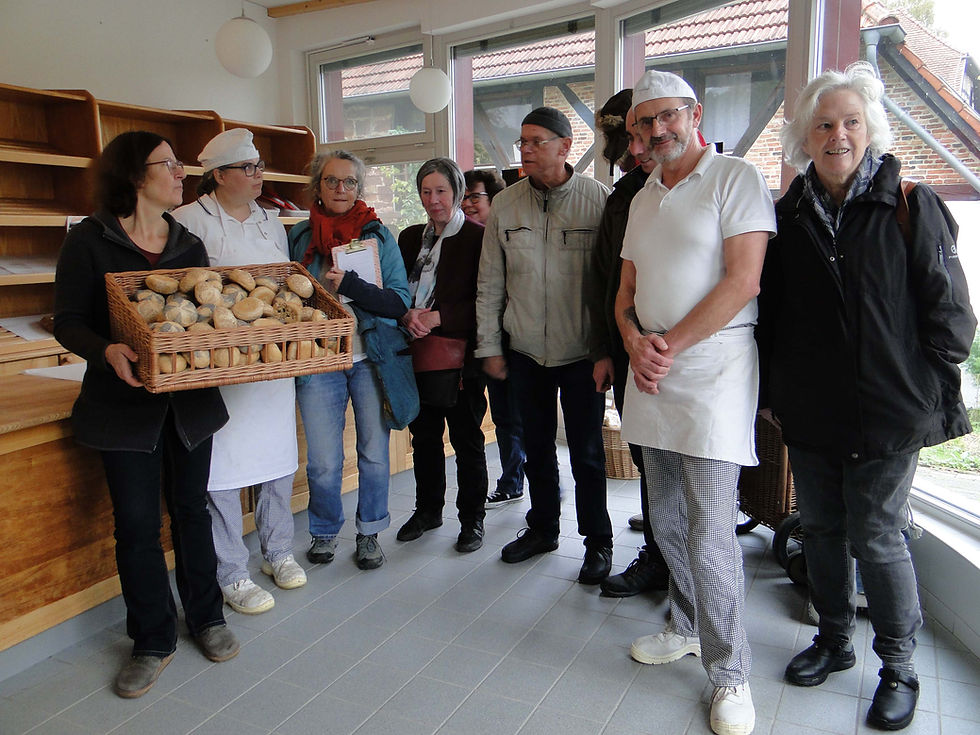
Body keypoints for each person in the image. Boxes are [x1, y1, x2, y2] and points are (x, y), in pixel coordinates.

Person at [756, 61, 975, 731]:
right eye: (823, 125)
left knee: (877, 536)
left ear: (870, 129)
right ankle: (833, 639)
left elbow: (951, 316)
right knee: (821, 528)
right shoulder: (786, 216)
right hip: (812, 410)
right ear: (804, 137)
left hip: (889, 411)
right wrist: (774, 392)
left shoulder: (910, 204)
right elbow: (773, 316)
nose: (838, 136)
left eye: (851, 122)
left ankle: (899, 666)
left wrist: (917, 386)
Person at [616, 70, 775, 735]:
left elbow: (744, 281)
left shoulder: (736, 177)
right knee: (667, 517)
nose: (657, 131)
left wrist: (666, 345)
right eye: (644, 122)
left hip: (713, 368)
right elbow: (624, 292)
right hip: (652, 371)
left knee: (711, 530)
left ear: (695, 114)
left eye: (668, 116)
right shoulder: (642, 196)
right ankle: (685, 624)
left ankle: (731, 673)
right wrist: (634, 340)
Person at [53, 131, 239, 699]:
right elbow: (67, 321)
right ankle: (152, 640)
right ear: (136, 175)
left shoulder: (188, 244)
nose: (182, 172)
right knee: (136, 526)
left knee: (192, 512)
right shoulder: (89, 241)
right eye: (170, 164)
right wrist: (106, 351)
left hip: (189, 407)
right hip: (121, 411)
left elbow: (204, 317)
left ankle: (207, 618)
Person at [476, 106, 615, 585]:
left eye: (537, 141)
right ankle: (543, 528)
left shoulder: (598, 200)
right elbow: (490, 283)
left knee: (587, 453)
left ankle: (598, 541)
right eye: (523, 142)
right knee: (535, 447)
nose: (527, 150)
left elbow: (613, 284)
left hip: (583, 353)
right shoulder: (506, 205)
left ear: (565, 146)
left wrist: (606, 350)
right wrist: (490, 346)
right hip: (525, 351)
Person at [173, 129, 306, 616]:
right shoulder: (187, 221)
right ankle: (230, 571)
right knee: (222, 471)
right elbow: (182, 296)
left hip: (274, 364)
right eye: (247, 168)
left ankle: (278, 551)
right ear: (218, 175)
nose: (258, 175)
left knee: (277, 460)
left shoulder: (273, 221)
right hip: (222, 370)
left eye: (259, 166)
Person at [288, 150, 411, 571]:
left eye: (350, 182)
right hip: (319, 360)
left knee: (374, 452)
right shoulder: (301, 236)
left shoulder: (378, 235)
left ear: (359, 187)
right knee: (323, 460)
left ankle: (369, 532)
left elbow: (399, 301)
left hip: (370, 358)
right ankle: (324, 531)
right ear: (318, 186)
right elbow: (287, 296)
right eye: (332, 181)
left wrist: (353, 286)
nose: (341, 189)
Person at [590, 89, 669, 599]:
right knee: (645, 454)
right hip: (627, 347)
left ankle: (674, 562)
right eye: (626, 147)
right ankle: (660, 556)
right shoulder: (624, 196)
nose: (633, 154)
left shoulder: (700, 187)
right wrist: (605, 348)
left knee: (682, 465)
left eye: (638, 142)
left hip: (680, 351)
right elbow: (605, 279)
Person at [397, 158, 489, 552]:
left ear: (457, 192)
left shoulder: (478, 237)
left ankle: (472, 519)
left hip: (462, 358)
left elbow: (490, 299)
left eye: (441, 191)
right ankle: (428, 510)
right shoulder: (408, 238)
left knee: (467, 441)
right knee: (424, 439)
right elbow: (396, 289)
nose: (433, 199)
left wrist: (439, 316)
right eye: (426, 191)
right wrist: (407, 315)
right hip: (415, 352)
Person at [463, 169, 526, 509]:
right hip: (479, 342)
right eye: (464, 198)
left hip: (515, 339)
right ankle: (512, 481)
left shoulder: (507, 236)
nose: (468, 204)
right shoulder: (464, 240)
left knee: (518, 415)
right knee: (501, 417)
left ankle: (527, 480)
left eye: (475, 197)